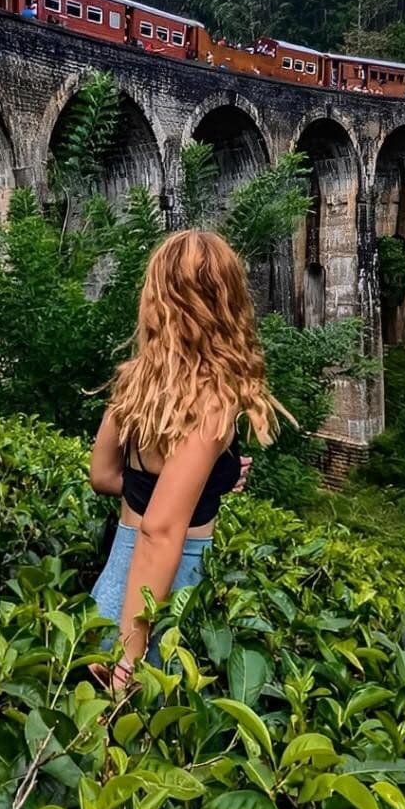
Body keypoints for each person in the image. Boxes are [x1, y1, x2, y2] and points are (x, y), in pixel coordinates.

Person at [87, 230, 292, 690]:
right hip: (157, 601)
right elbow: (160, 530)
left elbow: (102, 476)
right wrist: (129, 659)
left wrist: (198, 486)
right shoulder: (214, 401)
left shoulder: (135, 381)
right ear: (227, 300)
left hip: (115, 584)